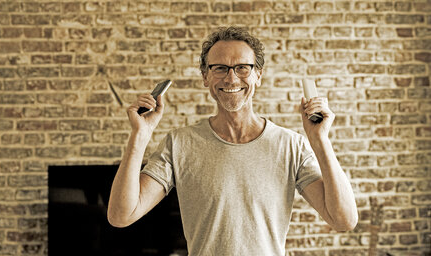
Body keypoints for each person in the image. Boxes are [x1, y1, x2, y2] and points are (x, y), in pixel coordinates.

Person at [108, 26, 358, 255]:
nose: (231, 78)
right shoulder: (179, 144)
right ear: (206, 77)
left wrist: (319, 140)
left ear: (258, 75)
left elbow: (344, 220)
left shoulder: (291, 146)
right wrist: (139, 136)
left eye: (242, 68)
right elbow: (121, 215)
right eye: (220, 68)